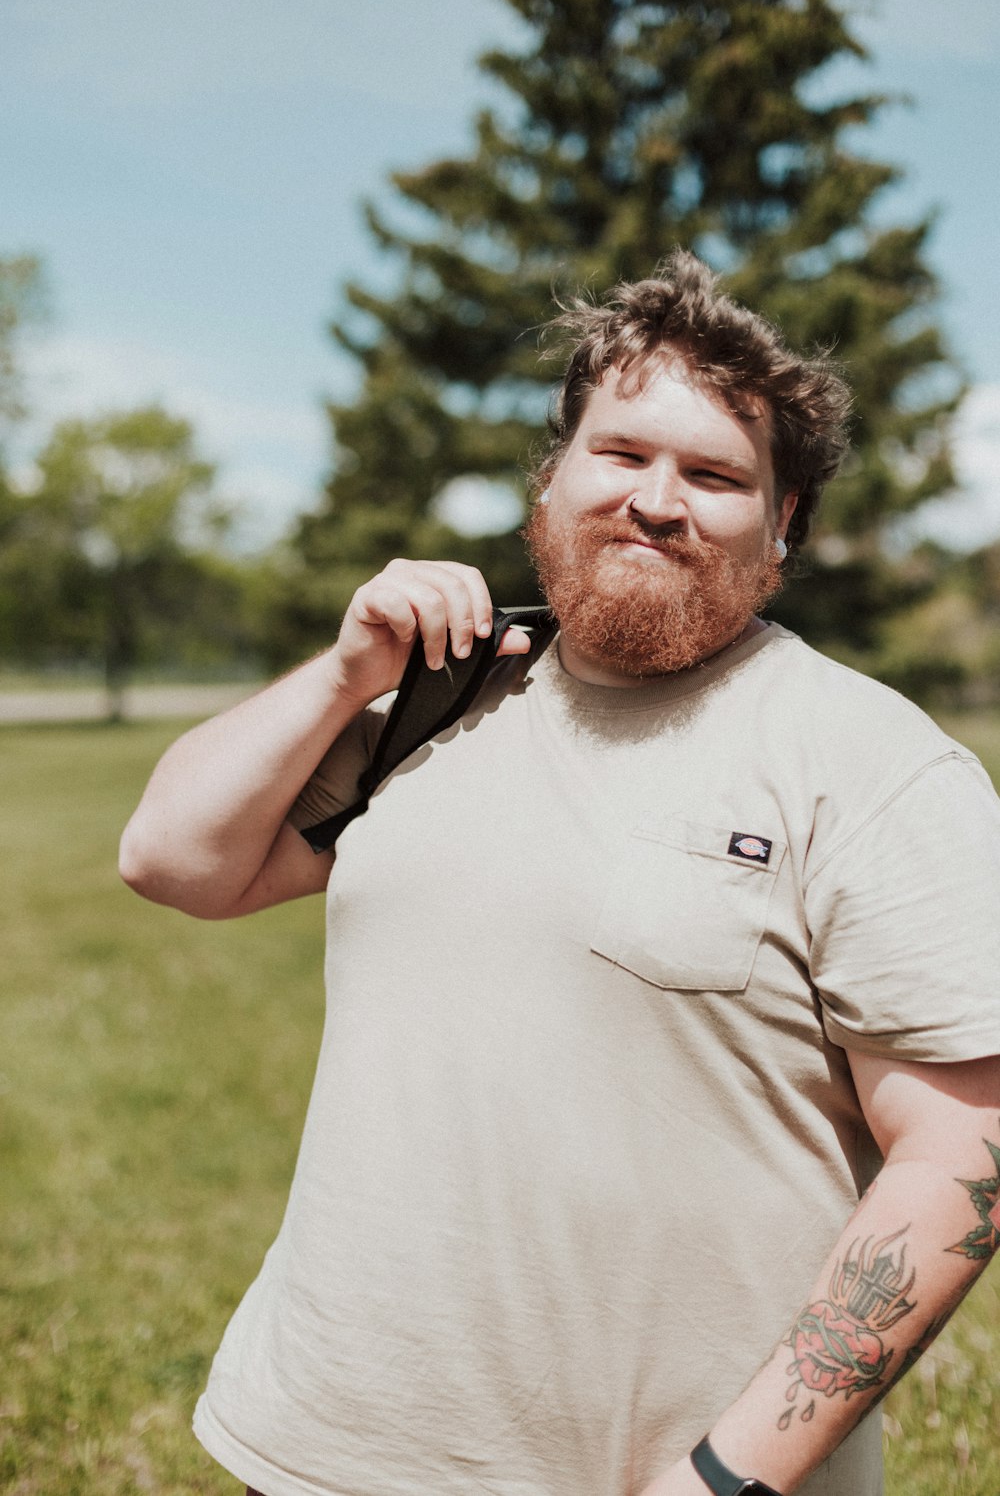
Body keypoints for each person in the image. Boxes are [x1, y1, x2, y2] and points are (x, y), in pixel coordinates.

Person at [120, 251, 1000, 1496]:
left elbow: (961, 1154)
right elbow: (170, 861)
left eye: (713, 475)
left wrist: (724, 1480)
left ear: (783, 521)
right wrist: (342, 676)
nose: (656, 499)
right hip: (319, 1444)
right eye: (621, 453)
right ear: (555, 474)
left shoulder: (869, 764)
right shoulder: (444, 695)